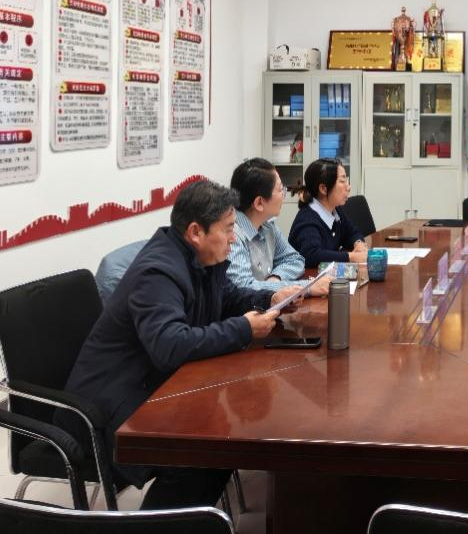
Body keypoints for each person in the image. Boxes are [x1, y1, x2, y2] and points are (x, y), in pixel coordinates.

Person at [56, 179, 295, 509]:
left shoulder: (200, 259)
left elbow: (227, 298)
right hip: (108, 406)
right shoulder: (158, 272)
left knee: (222, 445)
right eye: (228, 229)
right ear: (196, 232)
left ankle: (194, 519)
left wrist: (270, 298)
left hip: (155, 386)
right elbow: (170, 345)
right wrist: (243, 328)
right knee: (196, 456)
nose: (234, 238)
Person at [228, 157, 331, 298]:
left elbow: (295, 259)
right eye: (280, 189)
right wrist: (307, 287)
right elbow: (244, 288)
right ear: (259, 203)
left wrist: (276, 278)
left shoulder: (267, 226)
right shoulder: (231, 235)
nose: (284, 194)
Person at [289, 158, 368, 267]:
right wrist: (351, 257)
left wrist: (358, 243)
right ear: (323, 189)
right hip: (307, 276)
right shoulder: (307, 220)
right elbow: (312, 255)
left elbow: (352, 232)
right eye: (342, 181)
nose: (348, 187)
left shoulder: (335, 211)